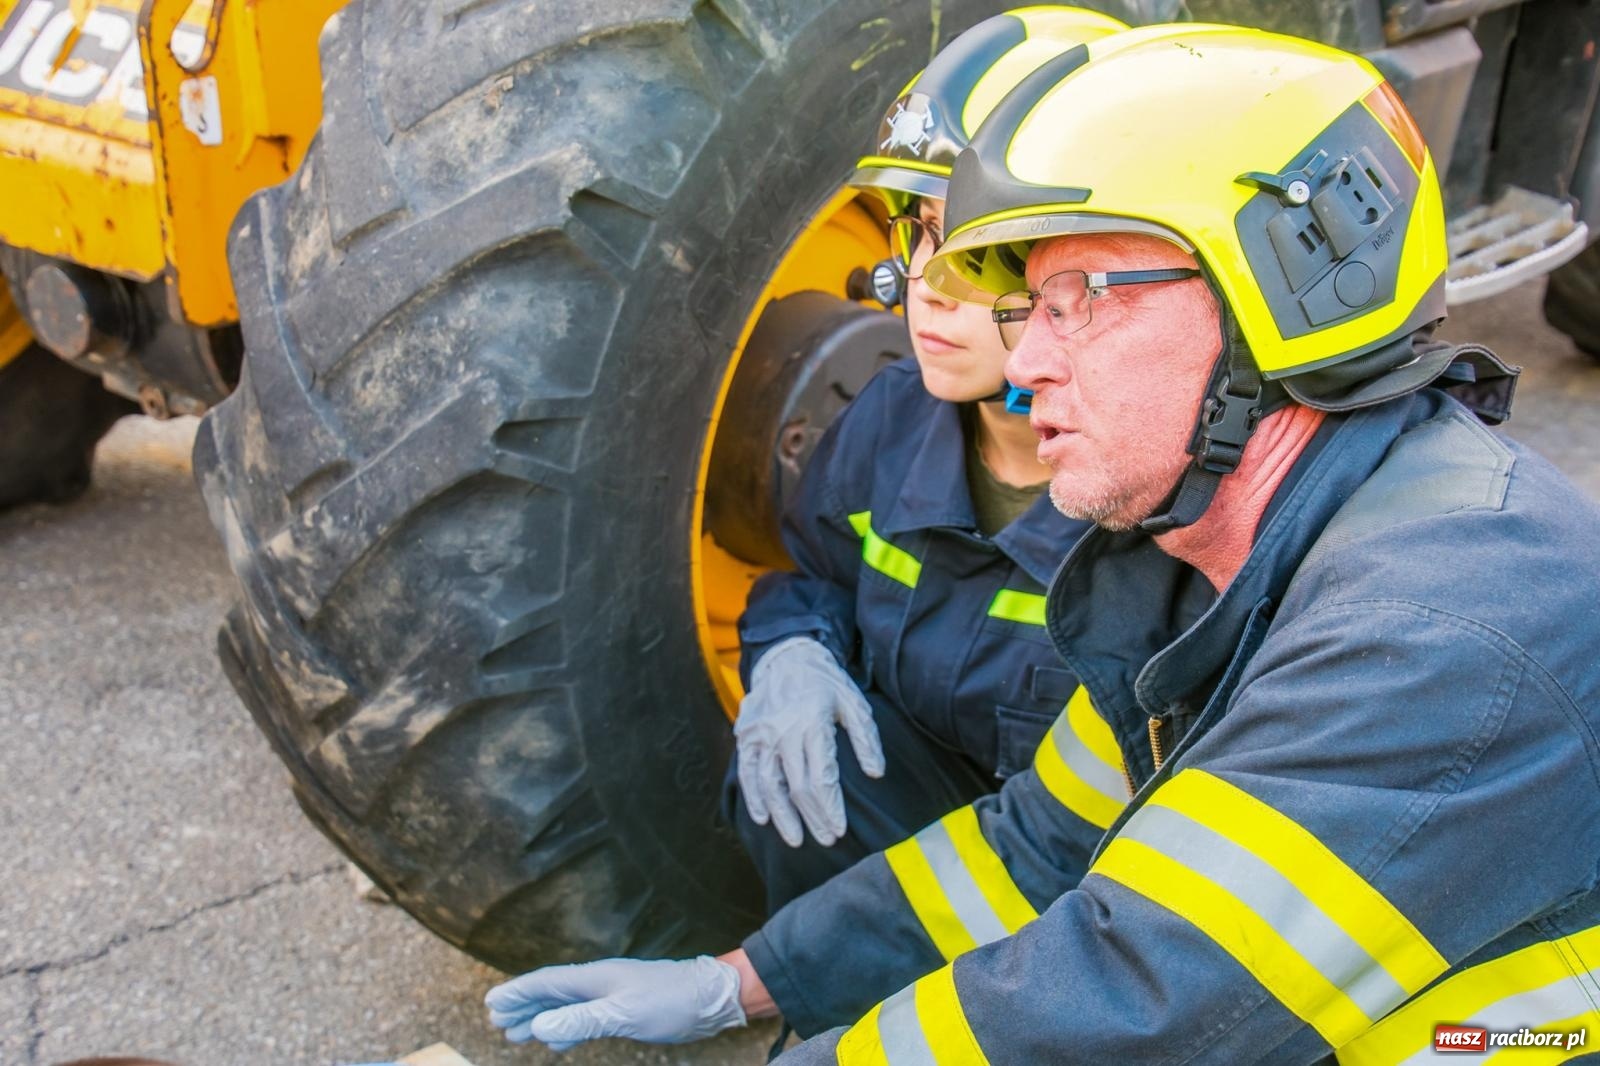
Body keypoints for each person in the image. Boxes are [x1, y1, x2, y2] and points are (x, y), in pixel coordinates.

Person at [486, 24, 1600, 1065]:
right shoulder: (1194, 565)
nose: (1026, 365)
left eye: (1075, 300)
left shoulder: (1440, 624)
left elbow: (1130, 1002)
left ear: (1281, 297)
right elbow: (1027, 852)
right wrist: (742, 981)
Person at [723, 5, 1127, 912]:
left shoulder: (1154, 500)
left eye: (983, 249)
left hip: (1087, 898)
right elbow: (814, 573)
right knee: (797, 775)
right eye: (925, 236)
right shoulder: (893, 420)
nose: (929, 294)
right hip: (947, 822)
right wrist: (792, 652)